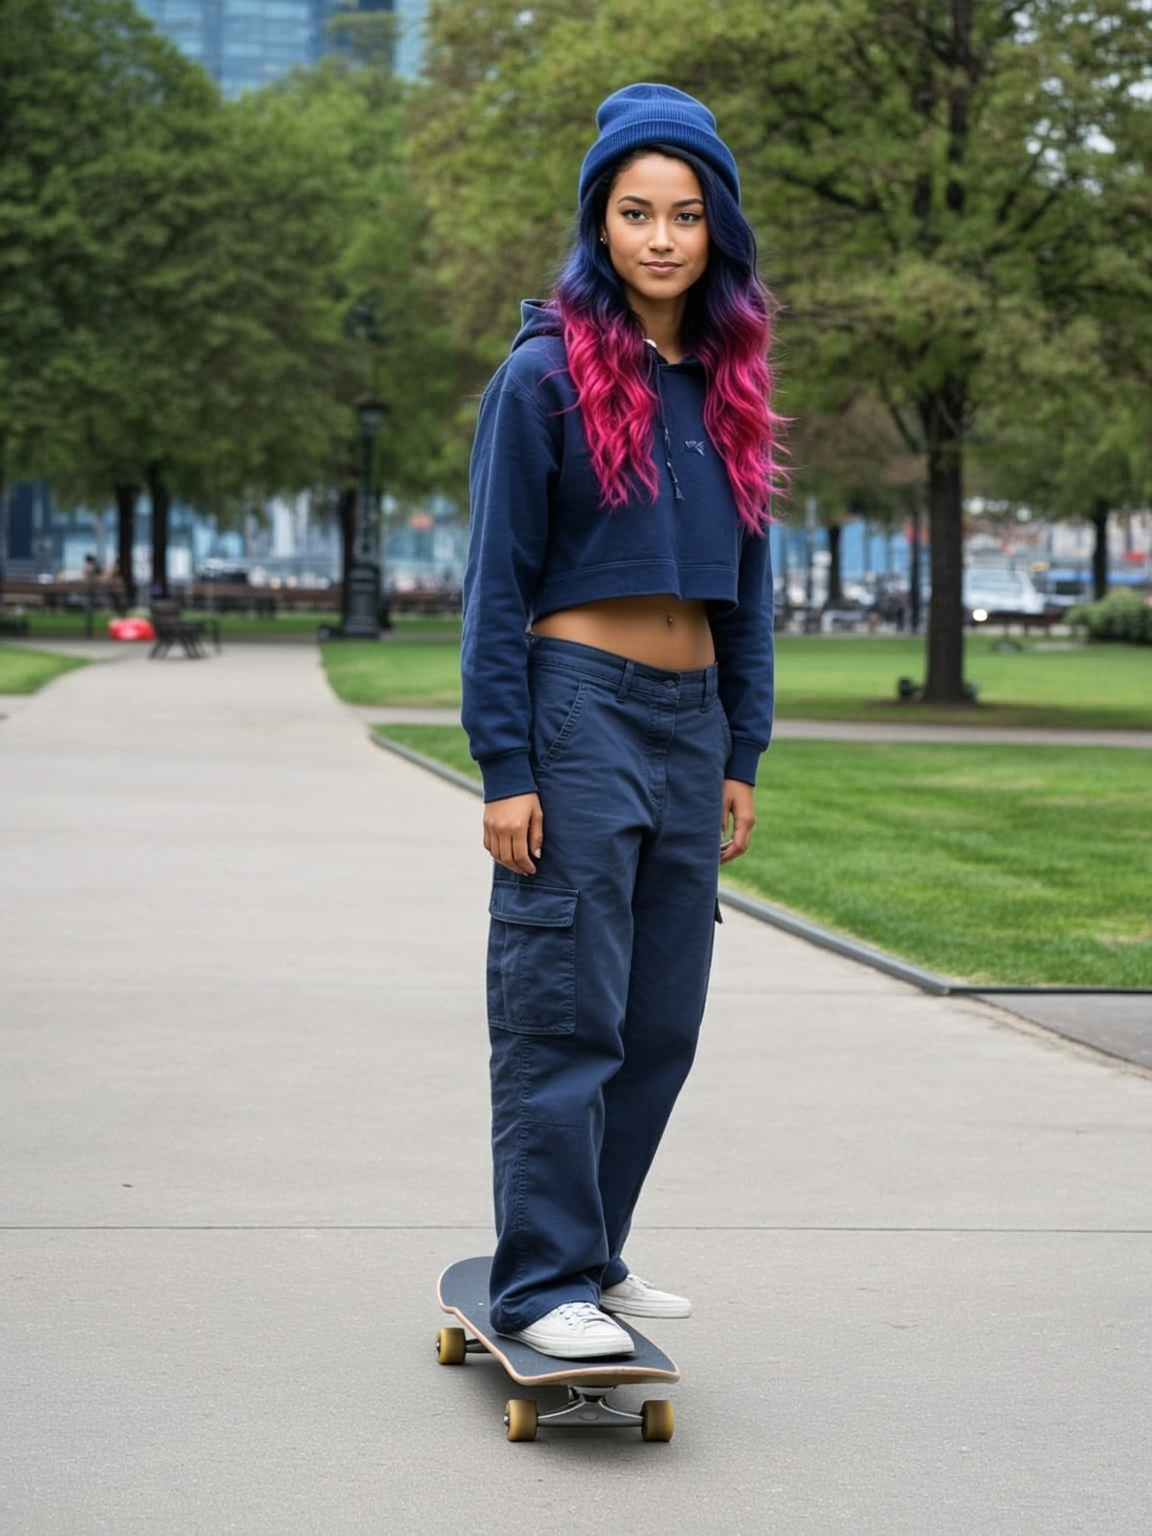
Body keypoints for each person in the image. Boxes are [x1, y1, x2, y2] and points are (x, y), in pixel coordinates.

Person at [460, 83, 785, 1360]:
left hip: (691, 718)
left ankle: (594, 1251)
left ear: (718, 233)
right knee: (565, 1008)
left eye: (687, 214)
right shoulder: (541, 378)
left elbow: (750, 591)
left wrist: (743, 749)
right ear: (601, 223)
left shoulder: (727, 385)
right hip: (578, 711)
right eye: (637, 212)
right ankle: (541, 1282)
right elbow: (495, 585)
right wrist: (506, 764)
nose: (662, 237)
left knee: (661, 1020)